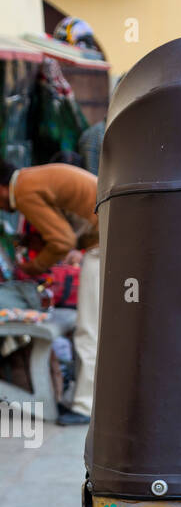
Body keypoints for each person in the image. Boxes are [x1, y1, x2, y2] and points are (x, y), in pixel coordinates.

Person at [0, 160, 99, 424]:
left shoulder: (22, 191)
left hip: (102, 243)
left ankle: (84, 406)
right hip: (108, 235)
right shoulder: (30, 179)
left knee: (88, 329)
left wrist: (30, 267)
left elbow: (62, 240)